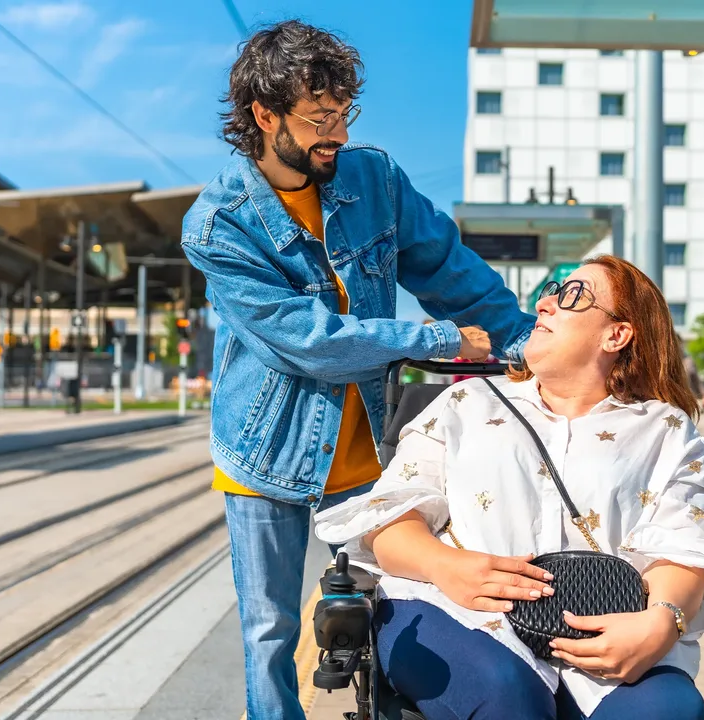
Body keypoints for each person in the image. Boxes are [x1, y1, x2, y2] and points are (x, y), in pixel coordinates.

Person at [180, 20, 534, 720]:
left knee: (397, 607)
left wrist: (525, 339)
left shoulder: (374, 180)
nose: (336, 134)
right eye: (320, 118)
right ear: (264, 114)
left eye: (344, 114)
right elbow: (306, 339)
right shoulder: (219, 226)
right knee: (270, 632)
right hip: (265, 455)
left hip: (371, 448)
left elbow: (448, 268)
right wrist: (434, 338)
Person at [316, 255, 704, 720]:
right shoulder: (465, 403)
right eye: (550, 290)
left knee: (669, 708)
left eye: (572, 294)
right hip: (458, 610)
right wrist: (447, 567)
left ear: (616, 334)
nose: (544, 303)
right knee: (505, 693)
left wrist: (661, 623)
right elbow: (390, 521)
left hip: (606, 626)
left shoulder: (667, 431)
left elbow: (683, 548)